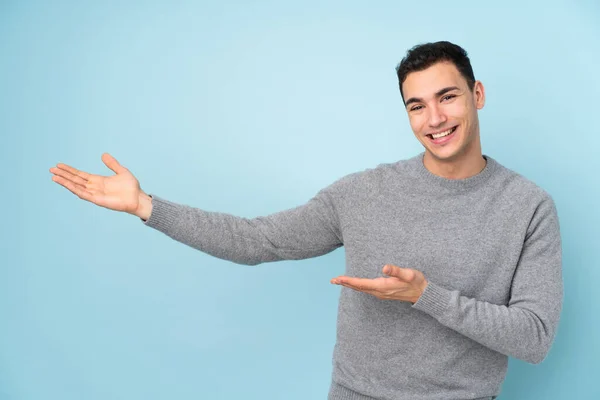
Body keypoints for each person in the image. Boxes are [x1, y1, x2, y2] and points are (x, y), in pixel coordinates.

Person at [50, 41, 563, 400]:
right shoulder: (364, 192)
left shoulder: (528, 206)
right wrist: (147, 206)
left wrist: (424, 296)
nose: (434, 119)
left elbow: (534, 339)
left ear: (477, 95)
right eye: (416, 106)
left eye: (447, 97)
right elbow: (258, 240)